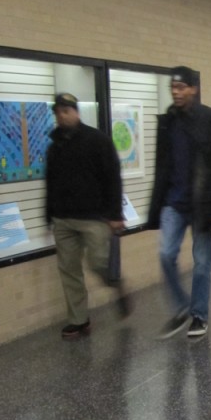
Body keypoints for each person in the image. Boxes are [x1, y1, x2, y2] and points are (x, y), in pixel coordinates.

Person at [148, 65, 211, 339]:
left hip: (203, 204)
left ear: (193, 89)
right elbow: (161, 166)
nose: (176, 92)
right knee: (165, 254)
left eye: (181, 87)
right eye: (173, 88)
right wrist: (156, 203)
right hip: (173, 202)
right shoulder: (167, 122)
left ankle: (199, 314)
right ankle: (181, 306)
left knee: (201, 262)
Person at [45, 92, 130, 339]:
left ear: (76, 112)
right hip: (63, 218)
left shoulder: (97, 140)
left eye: (66, 110)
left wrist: (115, 214)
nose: (62, 115)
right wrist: (47, 216)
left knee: (98, 263)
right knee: (69, 270)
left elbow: (113, 177)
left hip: (94, 217)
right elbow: (50, 183)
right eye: (58, 112)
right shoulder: (55, 146)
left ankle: (116, 284)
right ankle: (79, 320)